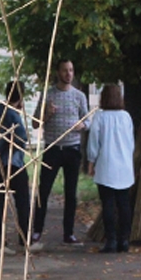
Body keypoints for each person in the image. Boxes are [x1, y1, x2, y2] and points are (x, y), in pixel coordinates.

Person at [32, 59, 89, 245]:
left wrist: (83, 125)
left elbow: (88, 120)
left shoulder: (79, 96)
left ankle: (69, 233)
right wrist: (47, 114)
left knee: (70, 193)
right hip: (52, 148)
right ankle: (37, 230)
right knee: (44, 190)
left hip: (72, 149)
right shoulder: (48, 95)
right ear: (58, 72)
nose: (68, 74)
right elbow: (35, 123)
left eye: (71, 70)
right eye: (65, 70)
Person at [0, 81, 42, 255]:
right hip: (13, 163)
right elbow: (21, 138)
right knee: (23, 202)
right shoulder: (13, 115)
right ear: (21, 97)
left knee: (0, 203)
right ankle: (25, 240)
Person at [86, 84, 135, 253]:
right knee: (124, 205)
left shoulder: (100, 117)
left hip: (106, 166)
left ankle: (111, 240)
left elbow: (94, 142)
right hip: (124, 166)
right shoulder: (126, 117)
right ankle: (125, 240)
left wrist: (91, 161)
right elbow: (131, 142)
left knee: (108, 204)